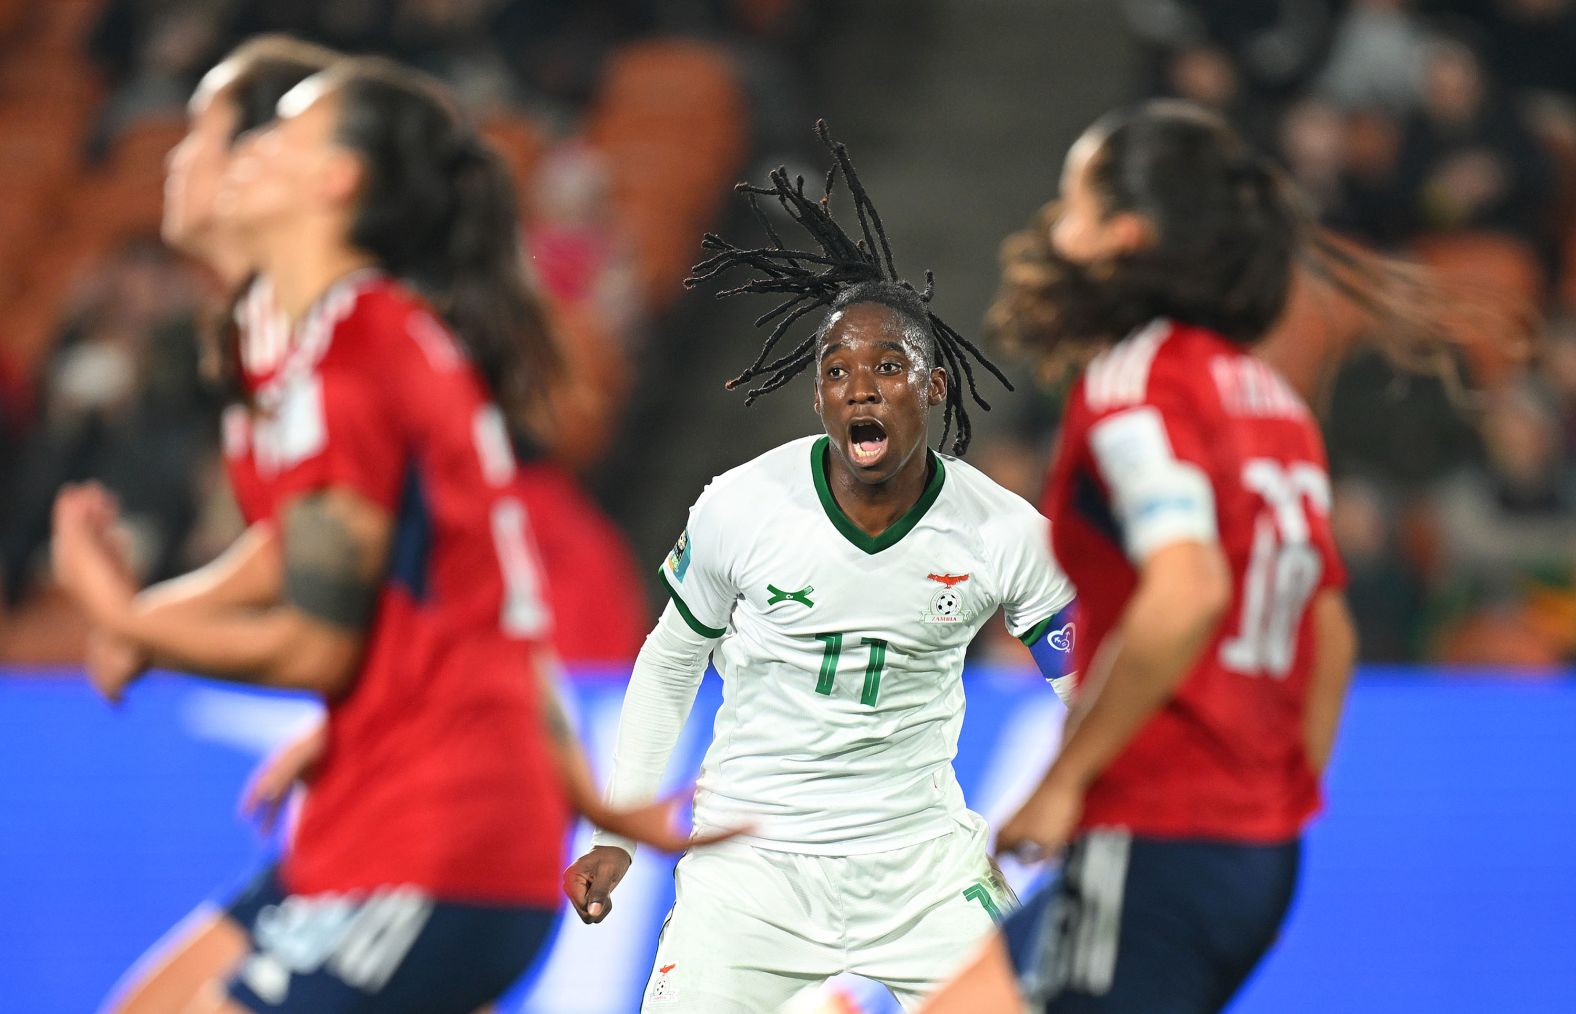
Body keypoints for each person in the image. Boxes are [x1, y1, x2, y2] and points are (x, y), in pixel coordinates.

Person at [52, 55, 713, 1014]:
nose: (212, 155)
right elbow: (378, 568)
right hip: (408, 810)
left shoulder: (348, 356)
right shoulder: (311, 340)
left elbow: (326, 629)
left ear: (335, 178)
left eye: (251, 130)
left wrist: (121, 612)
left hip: (436, 831)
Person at [919, 99, 1466, 1013]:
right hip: (1246, 849)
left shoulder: (1137, 383)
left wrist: (1066, 781)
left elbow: (1188, 587)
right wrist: (1263, 806)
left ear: (1123, 239)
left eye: (1075, 205)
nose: (1056, 226)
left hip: (1157, 831)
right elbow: (1326, 633)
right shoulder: (1269, 399)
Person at [560, 123, 1079, 1013]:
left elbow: (1088, 684)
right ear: (819, 397)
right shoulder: (743, 507)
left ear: (936, 387)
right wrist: (619, 826)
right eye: (837, 371)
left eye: (888, 366)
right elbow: (671, 663)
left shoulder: (1003, 533)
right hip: (749, 871)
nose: (861, 387)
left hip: (918, 868)